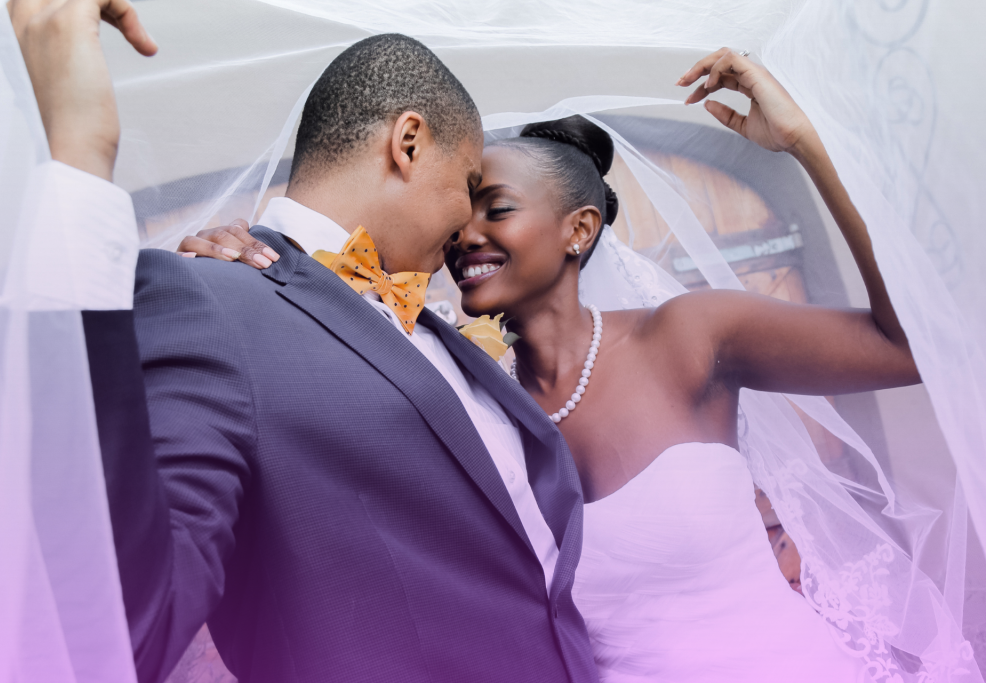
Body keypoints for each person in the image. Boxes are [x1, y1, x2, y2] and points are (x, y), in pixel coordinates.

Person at [199, 51, 921, 681]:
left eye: (497, 208)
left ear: (579, 229)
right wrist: (240, 265)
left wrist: (806, 146)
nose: (463, 232)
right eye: (463, 208)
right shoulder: (461, 395)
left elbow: (904, 346)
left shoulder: (692, 335)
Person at [9, 1, 598, 681]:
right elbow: (121, 625)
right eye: (469, 186)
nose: (468, 225)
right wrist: (79, 160)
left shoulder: (439, 328)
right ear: (408, 143)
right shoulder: (208, 300)